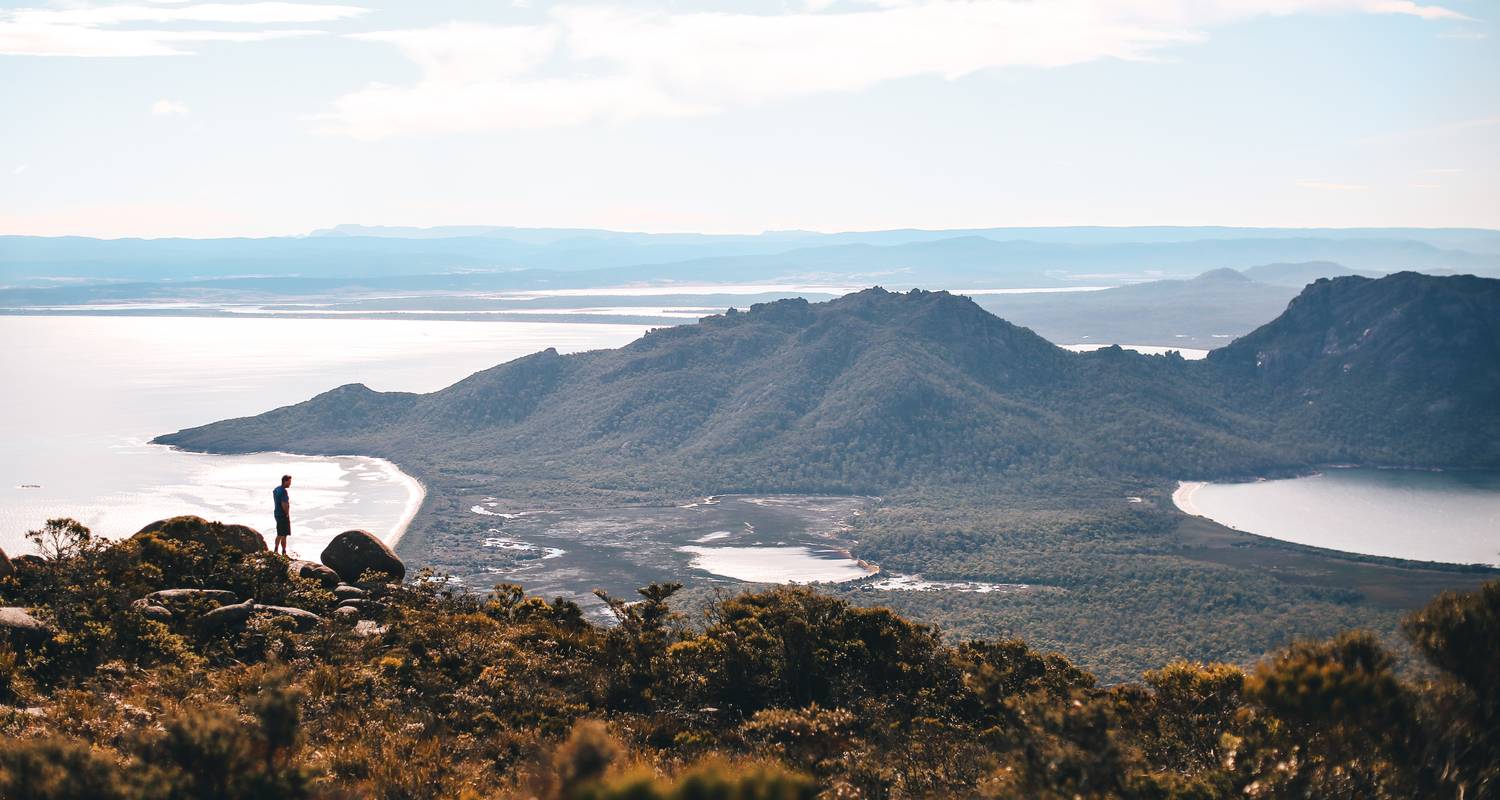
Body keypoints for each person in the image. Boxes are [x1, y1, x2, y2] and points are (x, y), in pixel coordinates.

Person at [272, 474, 292, 556]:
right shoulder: (283, 491)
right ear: (285, 481)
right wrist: (286, 513)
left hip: (277, 513)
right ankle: (283, 552)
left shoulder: (276, 489)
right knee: (283, 534)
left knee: (280, 533)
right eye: (289, 482)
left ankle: (277, 550)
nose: (290, 484)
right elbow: (284, 503)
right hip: (282, 514)